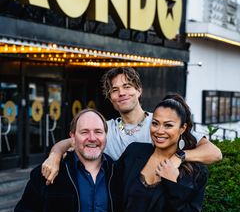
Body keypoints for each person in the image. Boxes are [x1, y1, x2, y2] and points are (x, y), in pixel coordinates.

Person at [41, 67, 222, 184]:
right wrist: (54, 156)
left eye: (127, 86)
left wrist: (179, 157)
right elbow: (69, 142)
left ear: (138, 90)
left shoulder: (160, 125)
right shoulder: (105, 129)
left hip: (159, 210)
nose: (122, 93)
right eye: (115, 90)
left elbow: (214, 153)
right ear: (110, 97)